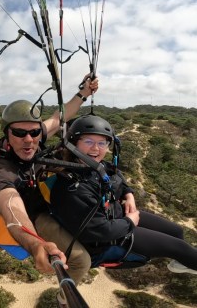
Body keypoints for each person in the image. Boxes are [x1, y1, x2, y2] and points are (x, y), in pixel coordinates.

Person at [0, 74, 98, 285]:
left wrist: (84, 93)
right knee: (82, 261)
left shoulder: (33, 135)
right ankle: (62, 300)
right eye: (19, 133)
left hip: (47, 193)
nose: (28, 140)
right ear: (7, 134)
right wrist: (36, 244)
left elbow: (58, 118)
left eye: (34, 132)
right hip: (35, 213)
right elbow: (12, 209)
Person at [48, 114, 197, 274]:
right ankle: (181, 256)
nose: (96, 148)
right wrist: (129, 222)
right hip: (107, 240)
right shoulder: (72, 187)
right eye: (88, 141)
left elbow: (117, 177)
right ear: (74, 145)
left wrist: (129, 195)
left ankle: (181, 261)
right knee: (179, 248)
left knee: (177, 232)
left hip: (116, 217)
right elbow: (99, 230)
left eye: (102, 143)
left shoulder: (97, 166)